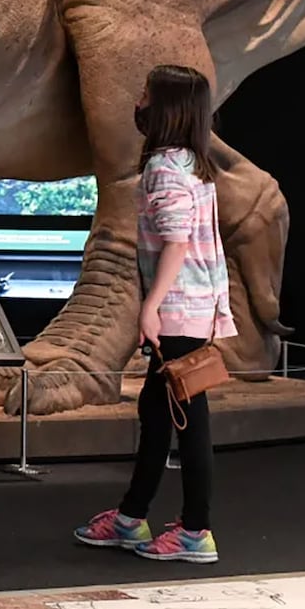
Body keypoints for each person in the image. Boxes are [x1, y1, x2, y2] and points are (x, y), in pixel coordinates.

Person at [75, 64, 233, 565]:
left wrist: (150, 308)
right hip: (196, 305)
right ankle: (131, 516)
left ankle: (195, 529)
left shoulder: (166, 167)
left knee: (188, 421)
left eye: (144, 94)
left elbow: (177, 242)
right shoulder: (193, 162)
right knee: (160, 413)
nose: (137, 101)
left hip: (179, 309)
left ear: (163, 108)